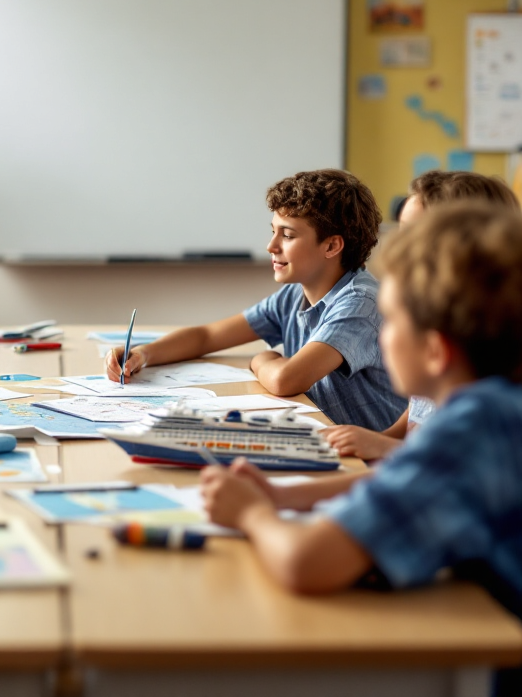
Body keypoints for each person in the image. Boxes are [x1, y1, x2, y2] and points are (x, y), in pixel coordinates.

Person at [200, 202, 522, 697]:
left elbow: (307, 564)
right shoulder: (496, 406)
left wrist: (252, 514)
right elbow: (406, 480)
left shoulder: (473, 427)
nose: (381, 336)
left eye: (390, 322)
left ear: (435, 351)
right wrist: (284, 497)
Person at [106, 169, 405, 430]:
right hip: (321, 435)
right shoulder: (295, 293)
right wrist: (143, 354)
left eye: (287, 235)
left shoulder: (360, 302)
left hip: (365, 458)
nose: (271, 246)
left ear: (331, 246)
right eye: (273, 232)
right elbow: (207, 336)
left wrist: (262, 359)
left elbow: (286, 380)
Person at [324, 170, 519, 460]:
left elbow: (452, 461)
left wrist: (383, 447)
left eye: (414, 233)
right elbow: (414, 422)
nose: (400, 245)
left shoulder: (475, 353)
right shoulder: (433, 323)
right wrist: (372, 440)